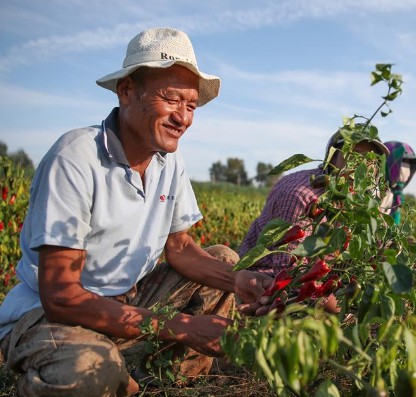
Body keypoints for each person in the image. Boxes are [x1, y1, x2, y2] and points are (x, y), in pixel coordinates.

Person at [0, 27, 273, 397]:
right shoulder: (76, 157)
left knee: (225, 259)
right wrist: (184, 327)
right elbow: (62, 296)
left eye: (190, 106)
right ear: (127, 91)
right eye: (171, 99)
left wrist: (237, 279)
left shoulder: (168, 164)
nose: (183, 118)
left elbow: (179, 248)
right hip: (52, 315)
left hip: (129, 303)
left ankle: (145, 374)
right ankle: (103, 372)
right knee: (86, 371)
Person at [239, 128, 390, 279]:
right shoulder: (300, 196)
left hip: (321, 280)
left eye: (369, 158)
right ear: (331, 158)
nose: (360, 165)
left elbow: (377, 249)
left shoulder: (359, 200)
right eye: (353, 155)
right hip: (263, 282)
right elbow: (288, 273)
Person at [381, 141, 416, 224]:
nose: (407, 167)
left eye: (409, 163)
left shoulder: (397, 194)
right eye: (403, 161)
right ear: (388, 161)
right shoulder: (376, 192)